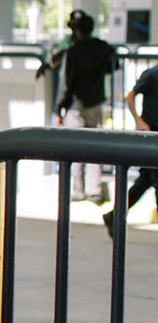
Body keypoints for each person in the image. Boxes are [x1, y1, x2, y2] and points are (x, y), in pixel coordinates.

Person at [51, 10, 117, 203]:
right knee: (94, 146)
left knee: (75, 148)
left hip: (75, 106)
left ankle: (77, 190)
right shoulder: (102, 47)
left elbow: (66, 84)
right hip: (95, 102)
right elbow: (115, 64)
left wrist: (59, 109)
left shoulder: (74, 52)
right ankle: (94, 189)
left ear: (77, 31)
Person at [103, 64, 158, 238]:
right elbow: (130, 96)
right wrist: (138, 120)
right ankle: (114, 215)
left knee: (145, 182)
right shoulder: (152, 74)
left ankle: (113, 215)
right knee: (155, 181)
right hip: (150, 136)